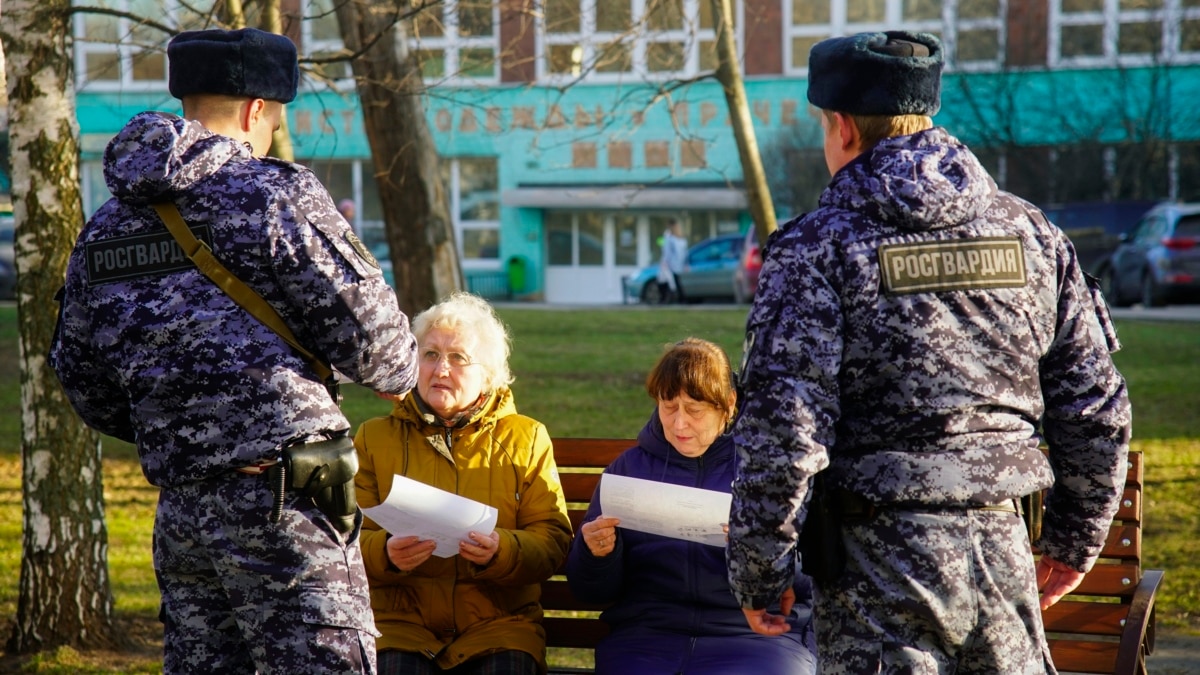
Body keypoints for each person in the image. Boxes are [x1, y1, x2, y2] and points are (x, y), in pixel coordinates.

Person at [726, 31, 1131, 674]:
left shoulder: (815, 249)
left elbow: (785, 434)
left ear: (842, 128)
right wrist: (1074, 539)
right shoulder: (1033, 235)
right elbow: (1096, 409)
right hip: (1004, 553)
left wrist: (759, 573)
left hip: (877, 574)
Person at [49, 27, 420, 674]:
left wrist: (185, 428)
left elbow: (84, 379)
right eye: (275, 120)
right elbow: (384, 352)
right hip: (288, 504)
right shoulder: (279, 196)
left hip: (183, 513)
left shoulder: (104, 227)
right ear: (257, 111)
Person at [567, 338, 817, 674]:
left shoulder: (769, 472)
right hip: (649, 635)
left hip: (755, 637)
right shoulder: (629, 470)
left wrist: (763, 555)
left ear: (728, 405)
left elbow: (814, 582)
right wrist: (596, 554)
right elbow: (591, 591)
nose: (679, 423)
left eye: (695, 410)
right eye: (668, 407)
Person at [354, 292, 572, 675]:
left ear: (487, 374)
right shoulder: (374, 438)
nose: (441, 370)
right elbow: (346, 537)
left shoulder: (527, 438)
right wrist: (386, 553)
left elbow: (553, 540)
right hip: (399, 628)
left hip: (498, 627)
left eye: (458, 358)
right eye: (431, 354)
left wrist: (501, 550)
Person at [656, 218, 688, 303]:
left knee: (668, 282)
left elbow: (667, 251)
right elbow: (684, 253)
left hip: (670, 263)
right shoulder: (680, 239)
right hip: (676, 264)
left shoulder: (671, 238)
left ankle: (668, 299)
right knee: (669, 281)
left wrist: (665, 262)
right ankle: (673, 299)